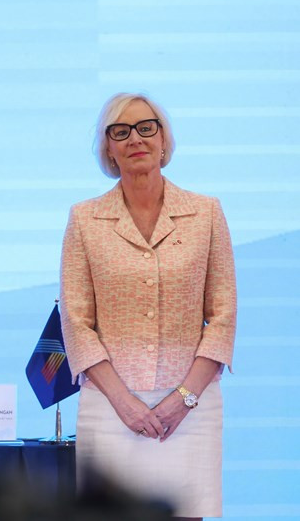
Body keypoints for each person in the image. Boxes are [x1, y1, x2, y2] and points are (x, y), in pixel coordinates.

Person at [59, 93, 237, 520]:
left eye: (146, 127)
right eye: (120, 132)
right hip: (110, 406)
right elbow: (77, 321)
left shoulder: (206, 212)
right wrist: (124, 403)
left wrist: (182, 399)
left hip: (191, 407)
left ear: (163, 138)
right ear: (109, 148)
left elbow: (224, 316)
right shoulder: (85, 218)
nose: (135, 138)